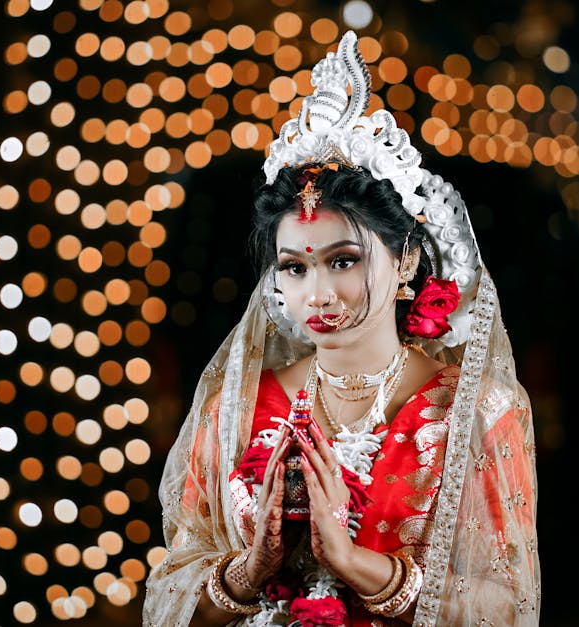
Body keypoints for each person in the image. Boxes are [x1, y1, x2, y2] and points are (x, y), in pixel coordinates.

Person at [144, 31, 539, 626]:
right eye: (295, 268)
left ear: (406, 259)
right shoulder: (234, 409)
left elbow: (509, 609)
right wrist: (247, 574)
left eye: (344, 260)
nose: (318, 294)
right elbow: (166, 598)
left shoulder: (478, 411)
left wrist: (360, 567)